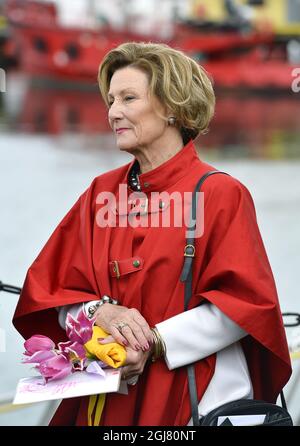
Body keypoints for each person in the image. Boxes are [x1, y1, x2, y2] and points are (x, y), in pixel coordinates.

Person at [13, 42, 292, 426]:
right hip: (106, 401)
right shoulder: (100, 193)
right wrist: (99, 312)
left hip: (194, 402)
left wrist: (154, 343)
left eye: (128, 98)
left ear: (173, 105)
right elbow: (51, 294)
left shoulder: (220, 194)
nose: (113, 113)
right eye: (111, 100)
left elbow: (244, 308)